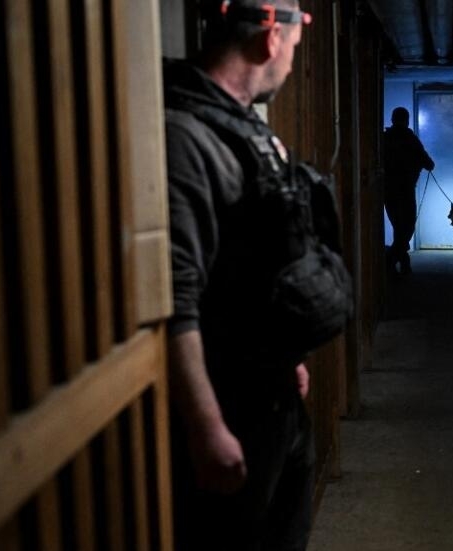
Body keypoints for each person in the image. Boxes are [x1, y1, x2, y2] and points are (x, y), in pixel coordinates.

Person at [162, 1, 316, 549]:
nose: (293, 66)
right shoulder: (186, 138)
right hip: (233, 409)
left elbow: (258, 255)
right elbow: (175, 299)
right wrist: (207, 429)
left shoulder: (240, 126)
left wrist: (289, 355)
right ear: (272, 38)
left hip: (273, 393)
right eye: (295, 51)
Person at [382, 107, 435, 275]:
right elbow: (429, 163)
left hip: (388, 191)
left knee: (399, 228)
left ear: (392, 119)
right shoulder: (410, 139)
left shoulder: (384, 138)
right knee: (407, 228)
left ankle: (401, 263)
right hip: (405, 191)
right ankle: (391, 261)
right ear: (407, 120)